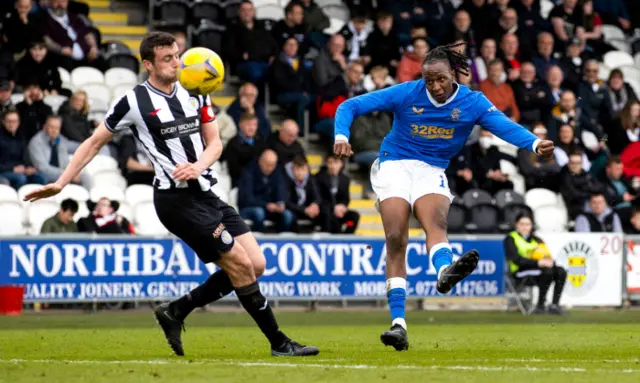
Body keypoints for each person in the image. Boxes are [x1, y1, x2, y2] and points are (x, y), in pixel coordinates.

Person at [22, 31, 318, 358]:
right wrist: (62, 182)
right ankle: (279, 343)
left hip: (206, 192)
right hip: (176, 201)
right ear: (148, 64)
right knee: (239, 264)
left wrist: (198, 165)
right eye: (167, 58)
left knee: (257, 264)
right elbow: (94, 142)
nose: (176, 63)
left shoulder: (195, 89)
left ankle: (175, 311)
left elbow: (215, 142)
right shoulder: (134, 102)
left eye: (177, 55)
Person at [333, 41, 555, 351]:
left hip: (432, 169)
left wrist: (533, 143)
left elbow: (503, 125)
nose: (435, 86)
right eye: (429, 80)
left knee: (435, 223)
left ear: (454, 73)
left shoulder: (472, 102)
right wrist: (341, 135)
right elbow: (349, 106)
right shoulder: (406, 93)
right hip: (394, 162)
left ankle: (444, 272)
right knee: (396, 236)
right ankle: (399, 325)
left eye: (440, 78)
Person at [504, 214, 567, 315]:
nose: (525, 227)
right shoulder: (511, 238)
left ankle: (555, 305)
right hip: (520, 271)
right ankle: (540, 305)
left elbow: (546, 256)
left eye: (527, 224)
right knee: (548, 271)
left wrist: (549, 262)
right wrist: (538, 262)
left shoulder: (537, 240)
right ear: (517, 225)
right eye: (522, 224)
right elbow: (516, 260)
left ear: (531, 226)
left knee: (560, 271)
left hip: (538, 270)